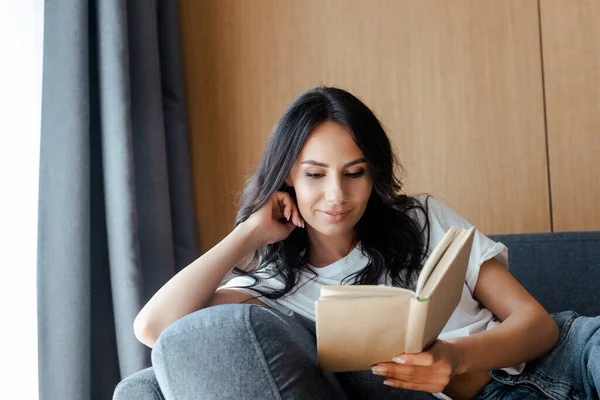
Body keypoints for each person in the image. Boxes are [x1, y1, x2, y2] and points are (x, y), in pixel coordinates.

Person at [133, 86, 599, 400]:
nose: (337, 195)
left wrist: (455, 358)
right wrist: (249, 233)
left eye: (355, 173)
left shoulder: (420, 217)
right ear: (287, 177)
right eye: (315, 175)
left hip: (562, 361)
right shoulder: (273, 284)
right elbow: (155, 329)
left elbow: (539, 326)